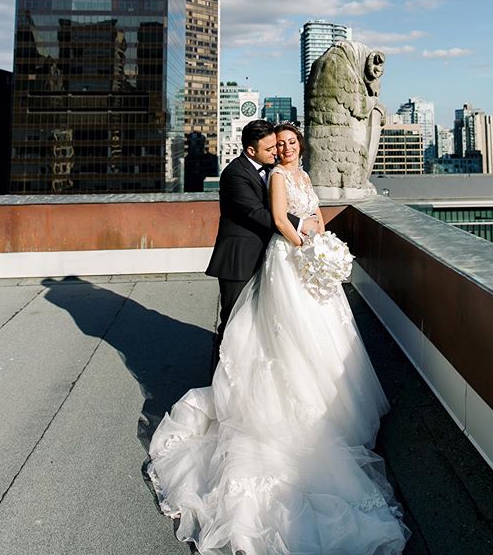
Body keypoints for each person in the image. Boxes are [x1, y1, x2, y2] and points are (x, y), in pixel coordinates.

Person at [147, 122, 408, 554]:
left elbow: (316, 214)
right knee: (244, 330)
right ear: (258, 148)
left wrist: (321, 241)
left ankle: (306, 398)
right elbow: (265, 216)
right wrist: (304, 241)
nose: (279, 149)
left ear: (298, 145)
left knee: (300, 331)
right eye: (273, 145)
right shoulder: (253, 175)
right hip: (266, 256)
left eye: (285, 143)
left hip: (294, 254)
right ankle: (230, 393)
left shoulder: (297, 175)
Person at [206, 119, 319, 360]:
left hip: (268, 254)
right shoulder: (235, 174)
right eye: (270, 149)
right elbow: (256, 212)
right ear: (251, 151)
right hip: (240, 258)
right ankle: (221, 376)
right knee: (233, 321)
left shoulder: (271, 168)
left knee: (260, 322)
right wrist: (300, 226)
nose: (276, 152)